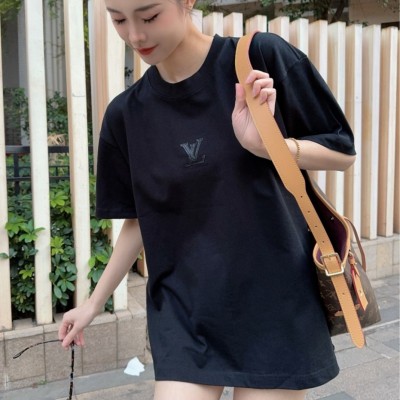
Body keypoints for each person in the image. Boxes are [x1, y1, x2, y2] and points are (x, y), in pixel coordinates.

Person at [58, 0, 356, 399]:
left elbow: (342, 153)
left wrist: (268, 146)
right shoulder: (126, 115)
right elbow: (140, 219)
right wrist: (93, 304)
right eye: (118, 20)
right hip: (185, 312)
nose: (135, 35)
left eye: (149, 16)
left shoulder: (260, 59)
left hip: (275, 303)